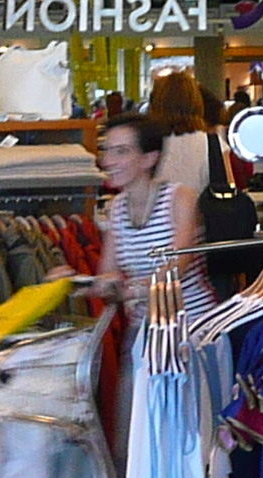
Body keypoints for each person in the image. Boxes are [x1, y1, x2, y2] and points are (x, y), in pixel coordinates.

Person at [88, 112, 214, 327]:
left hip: (191, 328)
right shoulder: (117, 207)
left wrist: (133, 290)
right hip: (144, 329)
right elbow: (108, 273)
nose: (108, 161)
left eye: (121, 151)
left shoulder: (180, 198)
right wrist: (73, 282)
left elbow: (176, 267)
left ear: (149, 158)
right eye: (106, 151)